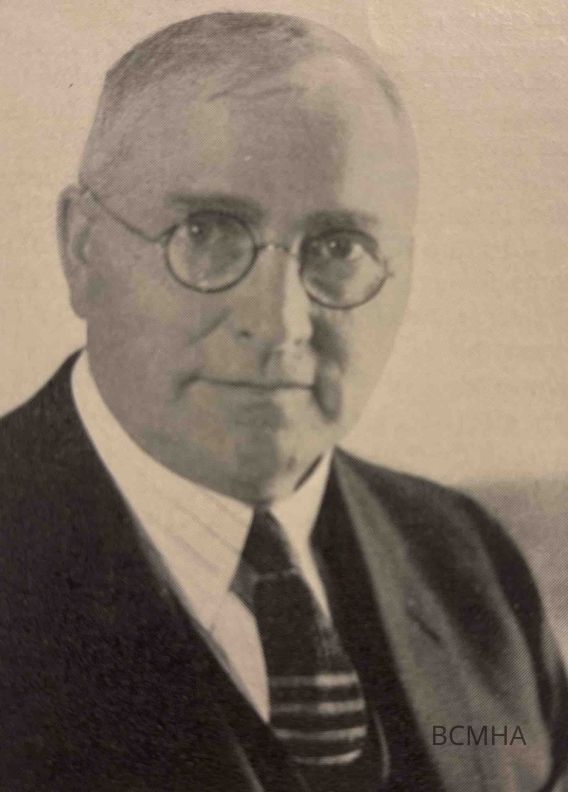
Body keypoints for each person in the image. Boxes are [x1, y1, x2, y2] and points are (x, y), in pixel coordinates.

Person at [0, 12, 566, 792]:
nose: (278, 322)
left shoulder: (473, 570)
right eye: (206, 233)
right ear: (82, 249)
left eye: (339, 247)